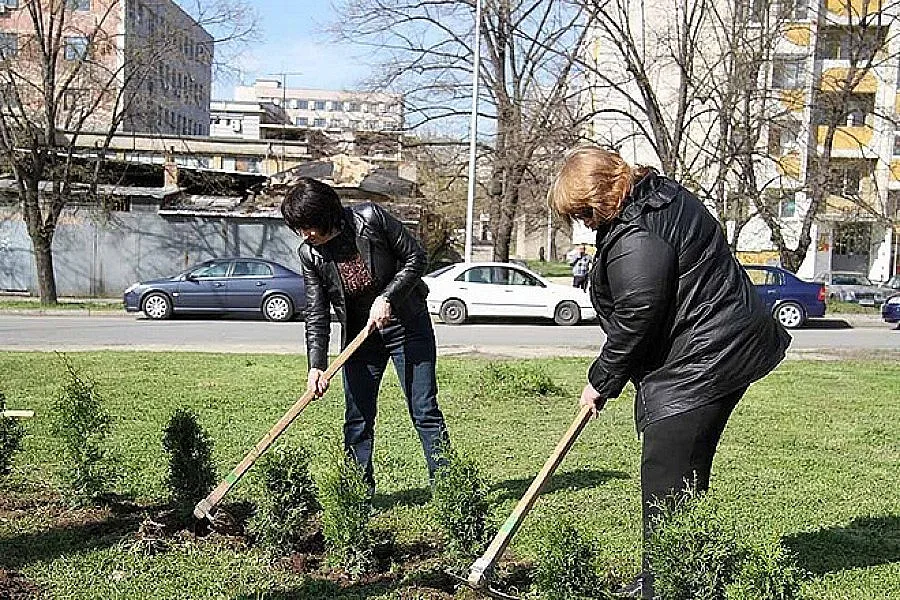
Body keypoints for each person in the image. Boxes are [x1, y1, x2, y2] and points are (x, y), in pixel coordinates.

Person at [547, 146, 791, 599]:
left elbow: (639, 313)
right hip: (716, 348)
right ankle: (676, 572)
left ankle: (669, 586)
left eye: (583, 212)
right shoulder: (657, 195)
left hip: (704, 359)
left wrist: (600, 380)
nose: (583, 222)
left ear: (599, 196)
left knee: (667, 473)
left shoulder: (637, 231)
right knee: (683, 471)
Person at [281, 177, 450, 495]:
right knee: (357, 415)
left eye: (309, 226)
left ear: (325, 212)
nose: (306, 235)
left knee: (424, 410)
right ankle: (358, 492)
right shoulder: (311, 255)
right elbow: (317, 314)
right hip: (361, 338)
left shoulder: (371, 219)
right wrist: (315, 365)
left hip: (407, 326)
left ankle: (449, 487)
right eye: (300, 229)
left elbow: (417, 258)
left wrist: (388, 297)